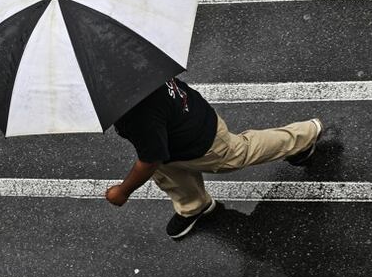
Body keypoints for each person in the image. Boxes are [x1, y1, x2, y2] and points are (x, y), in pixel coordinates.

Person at [105, 77, 323, 239]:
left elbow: (149, 160)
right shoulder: (135, 66)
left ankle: (303, 137)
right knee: (165, 167)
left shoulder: (136, 112)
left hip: (202, 140)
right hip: (178, 130)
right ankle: (194, 206)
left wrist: (123, 191)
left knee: (239, 153)